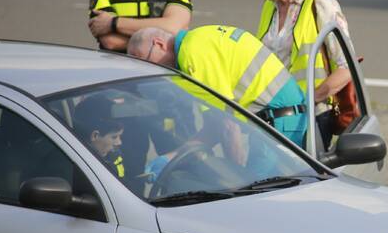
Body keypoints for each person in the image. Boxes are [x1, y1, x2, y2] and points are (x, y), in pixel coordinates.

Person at [127, 25, 308, 150]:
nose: (152, 70)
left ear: (159, 44)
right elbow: (216, 125)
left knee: (258, 196)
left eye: (147, 62)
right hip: (284, 118)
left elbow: (226, 125)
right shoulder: (198, 38)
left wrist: (238, 175)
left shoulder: (191, 56)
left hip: (280, 123)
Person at [251, 0, 355, 149]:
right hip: (273, 116)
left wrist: (311, 99)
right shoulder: (269, 6)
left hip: (310, 118)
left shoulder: (320, 2)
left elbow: (347, 67)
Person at [73, 95, 126, 179]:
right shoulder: (77, 167)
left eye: (120, 136)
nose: (119, 142)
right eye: (114, 137)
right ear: (95, 135)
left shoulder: (114, 156)